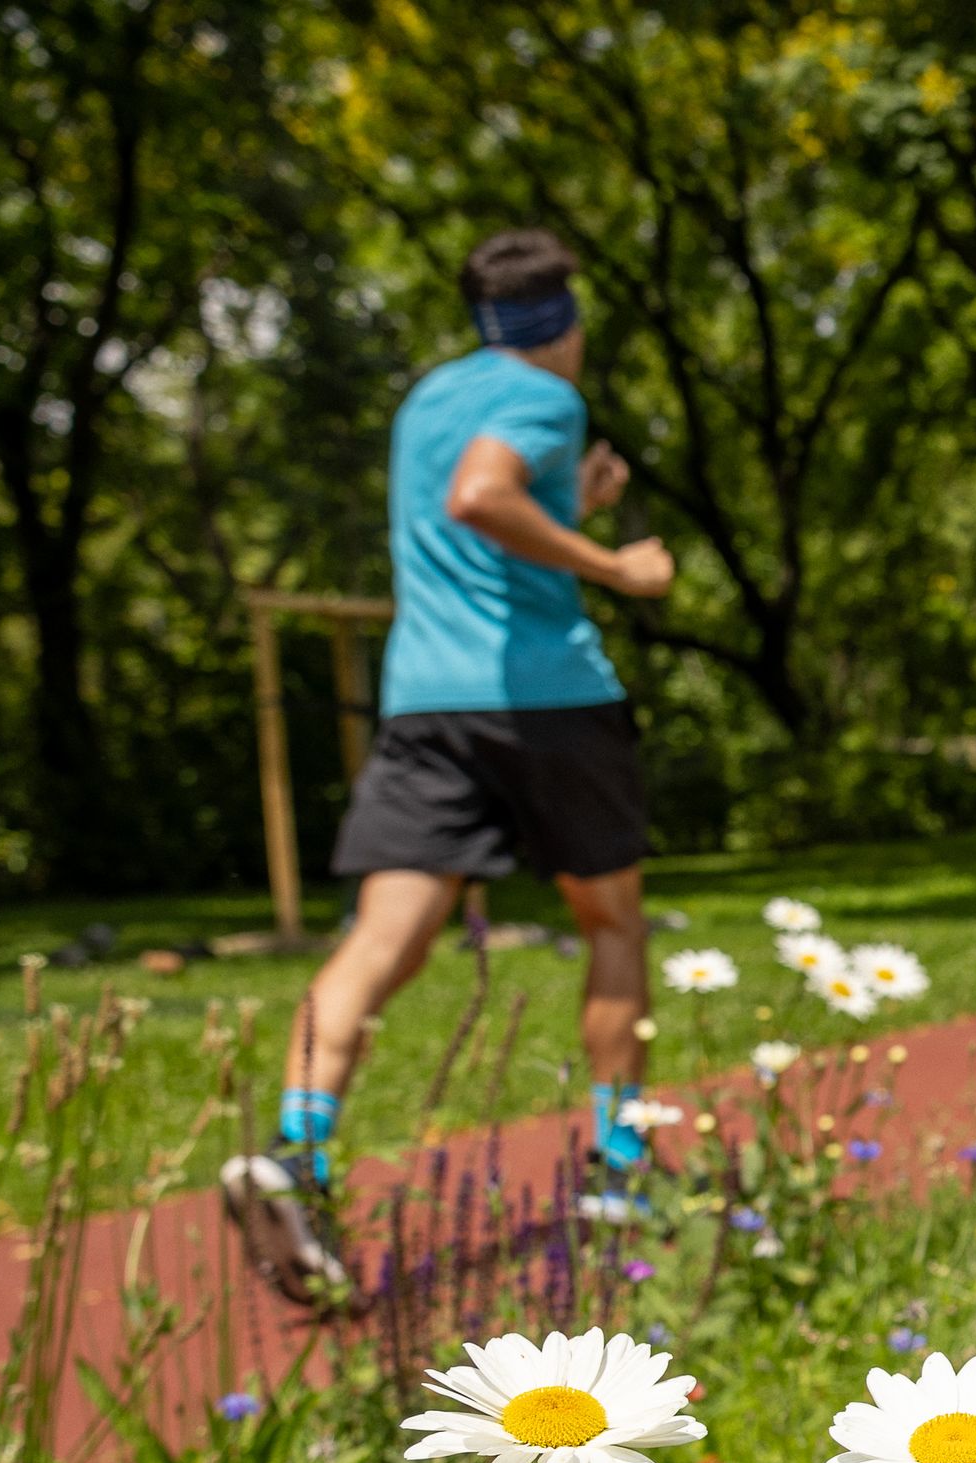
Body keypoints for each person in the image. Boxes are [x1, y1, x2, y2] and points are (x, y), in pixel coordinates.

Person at [222, 228, 675, 1305]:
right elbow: (481, 497)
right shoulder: (546, 396)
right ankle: (619, 1172)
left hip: (427, 701)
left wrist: (570, 508)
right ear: (566, 320)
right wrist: (614, 564)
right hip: (547, 701)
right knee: (612, 924)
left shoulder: (427, 400)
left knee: (382, 942)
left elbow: (472, 526)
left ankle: (296, 1155)